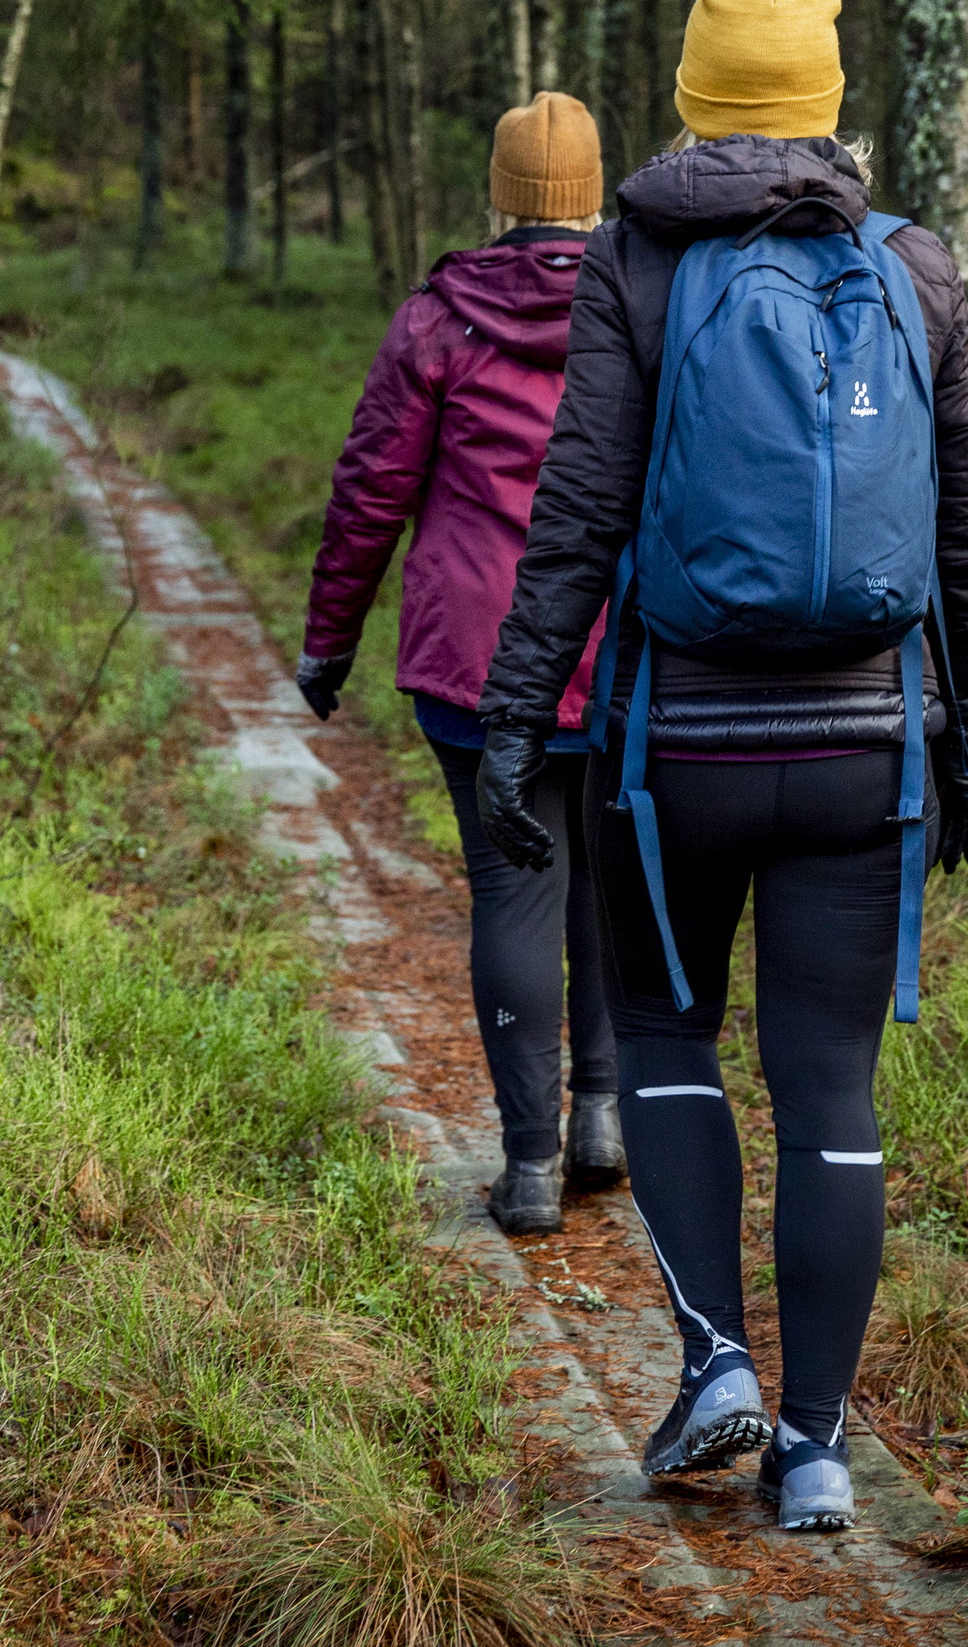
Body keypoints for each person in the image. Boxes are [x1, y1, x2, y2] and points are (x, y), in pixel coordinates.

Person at [471, 0, 968, 1536]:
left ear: (698, 93)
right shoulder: (920, 268)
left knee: (667, 1039)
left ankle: (715, 1361)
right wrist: (964, 738)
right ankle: (821, 1446)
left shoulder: (637, 258)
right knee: (831, 1086)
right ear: (829, 93)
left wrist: (516, 724)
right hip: (867, 748)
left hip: (674, 754)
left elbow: (573, 516)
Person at [297, 93, 619, 1237]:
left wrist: (328, 636)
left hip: (478, 663)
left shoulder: (439, 320)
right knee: (606, 880)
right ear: (593, 192)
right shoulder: (651, 307)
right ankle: (600, 1116)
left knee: (513, 887)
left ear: (502, 195)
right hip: (619, 649)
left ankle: (529, 1168)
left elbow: (372, 486)